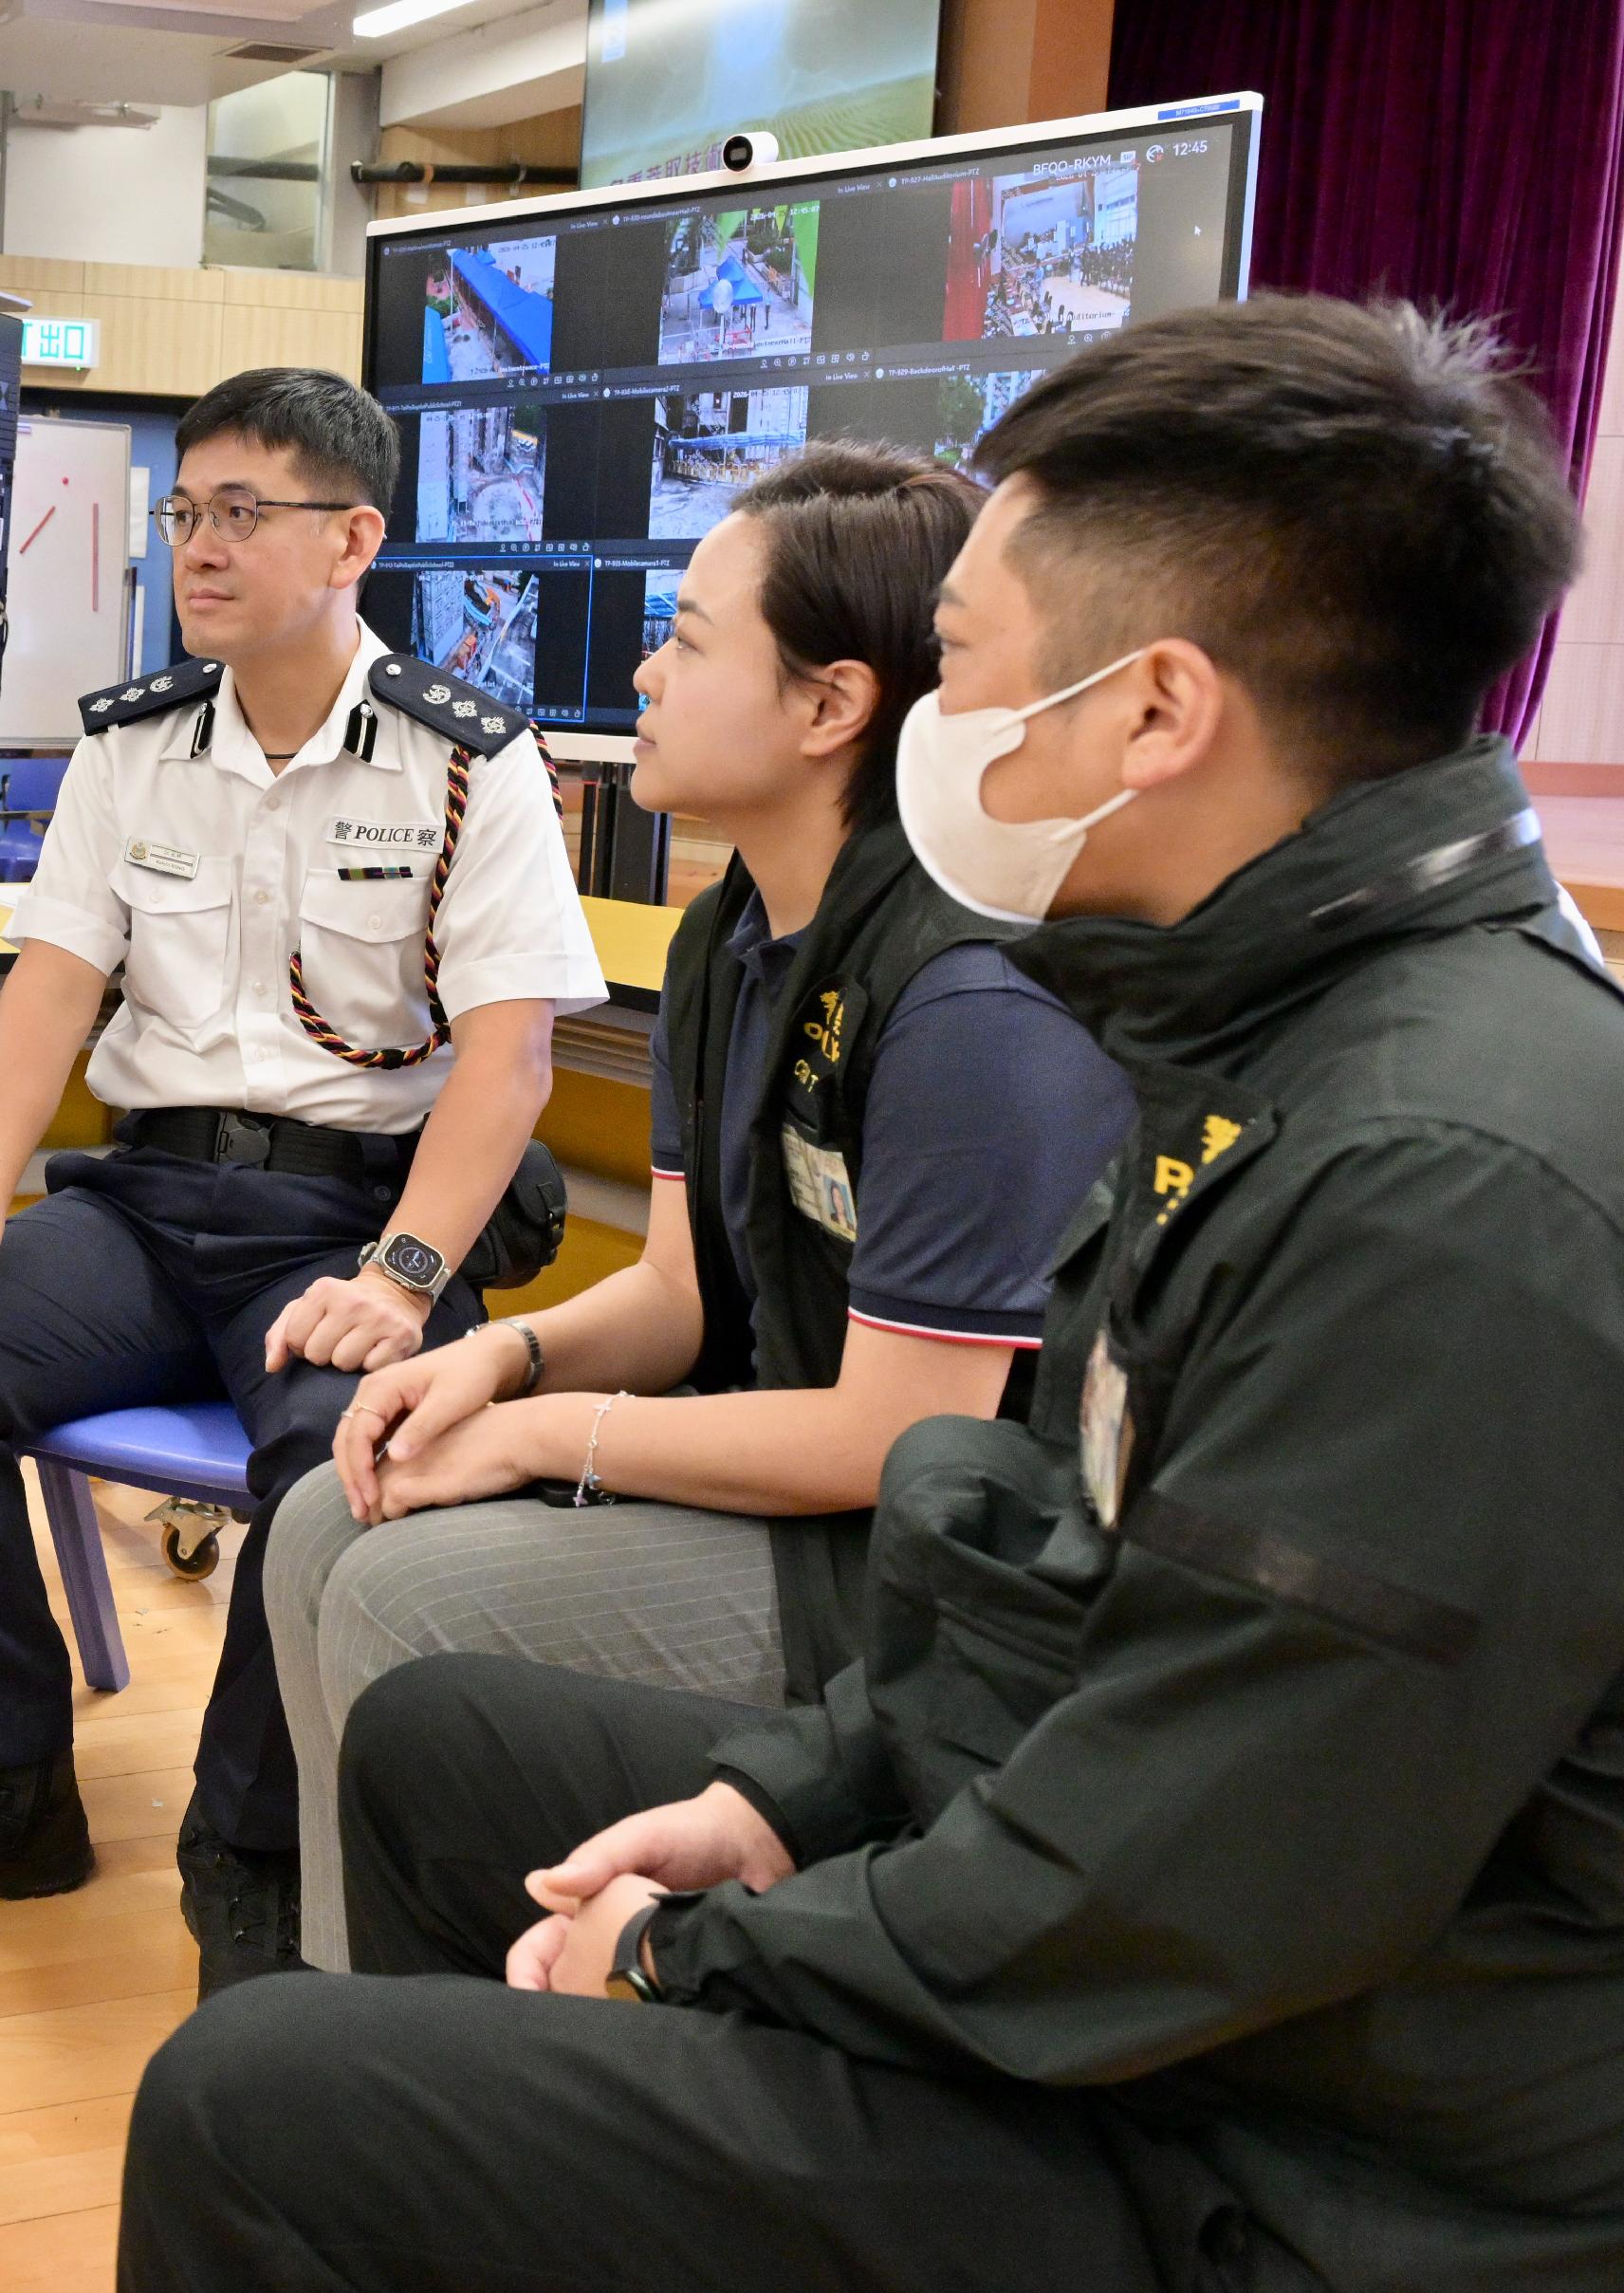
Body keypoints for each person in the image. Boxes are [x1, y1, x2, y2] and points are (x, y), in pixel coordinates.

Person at [120, 297, 1624, 2293]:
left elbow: (1177, 1883)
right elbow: (1068, 1601)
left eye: (970, 667)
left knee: (254, 2101)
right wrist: (782, 1796)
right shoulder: (1247, 1040)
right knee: (435, 1752)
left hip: (1294, 2147)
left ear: (1155, 712)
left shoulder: (1436, 1184)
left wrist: (692, 1950)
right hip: (1146, 1951)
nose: (940, 723)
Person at [0, 368, 606, 1993]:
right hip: (147, 1209)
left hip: (356, 1224)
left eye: (242, 512)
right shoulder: (138, 744)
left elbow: (507, 1064)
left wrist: (404, 1282)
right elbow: (49, 992)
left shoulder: (467, 764)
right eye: (184, 512)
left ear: (353, 540)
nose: (197, 547)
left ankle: (255, 1847)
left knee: (345, 1451)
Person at [262, 445, 1131, 1969]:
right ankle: (358, 2003)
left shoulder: (968, 1000)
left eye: (688, 639)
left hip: (915, 1567)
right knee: (325, 1518)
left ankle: (482, 2030)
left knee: (404, 1598)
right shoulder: (723, 937)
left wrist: (543, 1435)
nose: (644, 673)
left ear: (829, 705)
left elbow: (895, 1436)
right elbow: (681, 1293)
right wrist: (500, 1359)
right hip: (779, 1473)